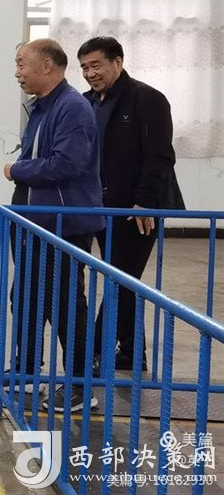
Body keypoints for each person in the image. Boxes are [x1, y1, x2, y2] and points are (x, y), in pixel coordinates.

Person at [3, 39, 104, 412]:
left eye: (21, 64)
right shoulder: (43, 106)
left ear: (46, 65)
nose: (17, 72)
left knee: (65, 303)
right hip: (35, 222)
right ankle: (28, 371)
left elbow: (66, 164)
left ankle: (79, 386)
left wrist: (17, 170)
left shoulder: (72, 107)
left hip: (63, 223)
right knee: (25, 296)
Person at [77, 36, 185, 373]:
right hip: (100, 207)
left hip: (138, 211)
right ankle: (132, 354)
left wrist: (144, 201)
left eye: (96, 65)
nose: (90, 73)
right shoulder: (86, 102)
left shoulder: (147, 98)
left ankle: (94, 352)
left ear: (118, 62)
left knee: (119, 279)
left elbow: (160, 155)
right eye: (84, 67)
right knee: (125, 280)